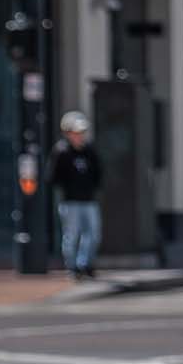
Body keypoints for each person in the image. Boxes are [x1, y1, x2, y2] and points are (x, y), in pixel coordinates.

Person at [48, 111, 104, 280]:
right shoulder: (61, 152)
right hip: (70, 201)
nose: (80, 136)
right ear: (67, 133)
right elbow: (52, 177)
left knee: (93, 233)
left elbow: (98, 172)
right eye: (76, 132)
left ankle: (84, 263)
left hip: (89, 200)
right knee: (71, 235)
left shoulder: (89, 151)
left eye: (82, 132)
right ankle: (72, 267)